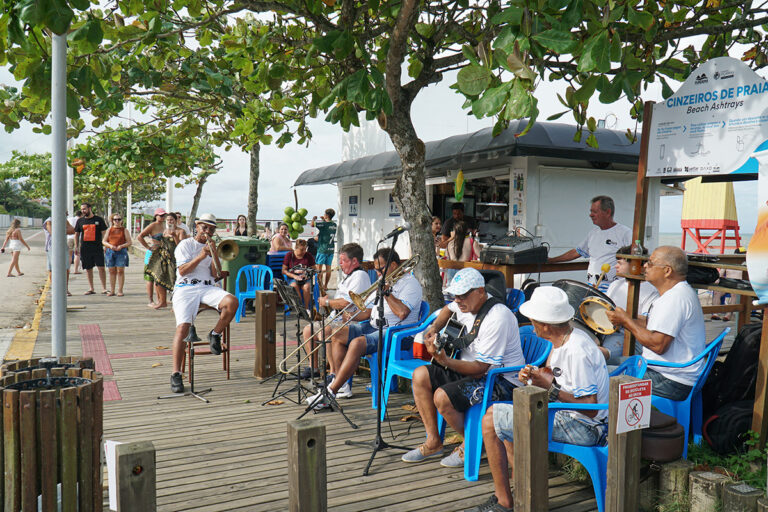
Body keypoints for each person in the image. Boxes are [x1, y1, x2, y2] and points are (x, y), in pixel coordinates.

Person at [466, 286, 609, 512]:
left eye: (532, 321)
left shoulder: (576, 350)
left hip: (587, 426)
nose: (530, 326)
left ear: (544, 325)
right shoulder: (565, 340)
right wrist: (533, 377)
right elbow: (554, 377)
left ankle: (505, 501)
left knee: (491, 420)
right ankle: (523, 491)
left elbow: (590, 407)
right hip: (571, 416)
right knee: (506, 417)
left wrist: (549, 389)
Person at [401, 268, 524, 469]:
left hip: (500, 379)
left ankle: (474, 443)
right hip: (470, 368)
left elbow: (480, 369)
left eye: (463, 295)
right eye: (455, 295)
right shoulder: (464, 303)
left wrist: (445, 361)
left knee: (442, 397)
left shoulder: (497, 317)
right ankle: (434, 441)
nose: (457, 300)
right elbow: (448, 310)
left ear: (481, 291)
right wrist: (434, 328)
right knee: (420, 375)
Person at [306, 248, 422, 406]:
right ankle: (343, 384)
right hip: (375, 325)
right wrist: (350, 313)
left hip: (398, 334)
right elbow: (368, 313)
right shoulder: (385, 282)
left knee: (357, 343)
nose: (378, 272)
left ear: (394, 265)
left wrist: (387, 294)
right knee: (337, 333)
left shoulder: (410, 284)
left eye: (380, 268)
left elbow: (402, 313)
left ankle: (331, 392)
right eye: (376, 268)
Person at [606, 246, 705, 400]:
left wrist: (625, 321)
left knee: (595, 373)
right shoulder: (679, 293)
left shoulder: (674, 299)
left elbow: (658, 346)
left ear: (667, 271)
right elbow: (656, 324)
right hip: (668, 372)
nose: (645, 266)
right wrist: (626, 318)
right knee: (600, 360)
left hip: (671, 380)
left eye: (650, 263)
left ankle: (595, 421)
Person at [168, 213, 238, 393]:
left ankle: (215, 334)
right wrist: (201, 255)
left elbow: (215, 275)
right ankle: (176, 373)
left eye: (211, 229)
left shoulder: (212, 246)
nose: (207, 232)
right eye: (204, 227)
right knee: (183, 327)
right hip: (185, 288)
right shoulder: (185, 245)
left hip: (207, 287)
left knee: (232, 302)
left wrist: (214, 254)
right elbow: (183, 271)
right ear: (197, 226)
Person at [301, 242, 371, 380]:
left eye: (343, 261)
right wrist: (329, 298)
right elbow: (341, 299)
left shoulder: (360, 276)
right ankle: (313, 367)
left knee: (325, 331)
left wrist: (327, 302)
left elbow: (346, 302)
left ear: (354, 261)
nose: (340, 264)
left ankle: (333, 373)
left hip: (351, 320)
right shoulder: (348, 277)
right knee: (308, 330)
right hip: (337, 317)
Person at [547, 196, 632, 291]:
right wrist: (552, 260)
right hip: (592, 288)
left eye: (594, 212)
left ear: (608, 212)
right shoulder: (593, 233)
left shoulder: (625, 233)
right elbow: (576, 252)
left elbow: (635, 259)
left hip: (614, 290)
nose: (590, 215)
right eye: (591, 211)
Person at [600, 246, 659, 363]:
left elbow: (648, 322)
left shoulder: (651, 290)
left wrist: (623, 318)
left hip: (629, 335)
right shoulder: (615, 284)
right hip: (607, 330)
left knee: (601, 353)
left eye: (620, 263)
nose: (616, 266)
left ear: (634, 264)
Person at [139, 208, 175, 309]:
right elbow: (140, 236)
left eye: (164, 215)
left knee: (159, 277)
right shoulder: (152, 225)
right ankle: (150, 300)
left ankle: (161, 300)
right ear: (156, 216)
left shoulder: (165, 225)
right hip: (152, 253)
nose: (162, 217)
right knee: (150, 277)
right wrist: (148, 247)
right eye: (160, 215)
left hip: (162, 253)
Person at [74, 202, 109, 294]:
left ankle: (104, 288)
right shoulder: (80, 221)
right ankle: (91, 288)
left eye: (84, 209)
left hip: (97, 248)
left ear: (90, 208)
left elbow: (104, 233)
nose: (83, 211)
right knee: (88, 268)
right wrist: (76, 246)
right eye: (82, 209)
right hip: (85, 248)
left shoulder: (99, 220)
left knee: (101, 267)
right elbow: (76, 234)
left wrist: (106, 245)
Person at [43, 215, 76, 295]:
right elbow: (52, 232)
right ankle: (55, 289)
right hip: (52, 248)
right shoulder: (49, 220)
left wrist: (60, 230)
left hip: (63, 246)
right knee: (52, 269)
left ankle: (65, 289)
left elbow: (72, 230)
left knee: (66, 268)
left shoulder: (64, 220)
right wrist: (64, 229)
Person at [102, 213, 132, 297]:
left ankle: (120, 290)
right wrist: (110, 246)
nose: (117, 221)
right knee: (111, 270)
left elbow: (129, 242)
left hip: (121, 251)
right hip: (110, 251)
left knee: (120, 271)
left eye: (119, 219)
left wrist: (121, 246)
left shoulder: (124, 230)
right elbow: (104, 241)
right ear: (112, 221)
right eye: (115, 219)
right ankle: (112, 290)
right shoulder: (109, 230)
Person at [444, 220, 482, 285]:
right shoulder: (472, 242)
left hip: (452, 274)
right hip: (465, 273)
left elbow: (446, 256)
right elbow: (481, 256)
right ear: (467, 231)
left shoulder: (450, 243)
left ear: (454, 231)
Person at [282, 238, 317, 310]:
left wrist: (307, 274)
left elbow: (314, 269)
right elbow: (284, 270)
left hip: (305, 278)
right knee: (294, 286)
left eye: (305, 249)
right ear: (296, 248)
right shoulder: (289, 255)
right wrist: (294, 276)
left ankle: (307, 309)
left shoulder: (308, 255)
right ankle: (301, 308)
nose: (304, 251)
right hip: (292, 278)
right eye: (301, 250)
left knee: (307, 287)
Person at [311, 209, 337, 292]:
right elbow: (326, 228)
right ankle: (326, 286)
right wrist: (323, 220)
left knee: (319, 269)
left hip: (322, 249)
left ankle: (320, 286)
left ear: (326, 215)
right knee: (328, 268)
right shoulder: (334, 224)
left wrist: (314, 219)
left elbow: (312, 224)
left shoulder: (324, 224)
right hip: (331, 248)